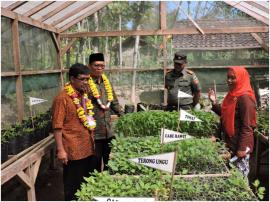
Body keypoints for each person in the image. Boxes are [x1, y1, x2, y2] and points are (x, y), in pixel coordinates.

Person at [52, 63, 97, 201]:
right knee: (73, 186)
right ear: (72, 79)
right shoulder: (62, 98)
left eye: (88, 79)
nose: (86, 82)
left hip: (87, 147)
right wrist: (60, 150)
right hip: (73, 150)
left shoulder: (83, 96)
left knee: (85, 183)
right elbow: (57, 126)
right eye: (82, 79)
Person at [208, 66, 256, 178]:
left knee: (239, 179)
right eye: (228, 77)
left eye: (233, 78)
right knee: (231, 176)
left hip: (239, 145)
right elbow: (227, 115)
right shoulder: (233, 95)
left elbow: (247, 125)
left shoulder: (245, 98)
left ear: (241, 79)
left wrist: (242, 149)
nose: (229, 80)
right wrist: (214, 103)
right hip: (231, 142)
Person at [87, 53, 124, 172]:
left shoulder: (106, 83)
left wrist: (124, 116)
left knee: (108, 161)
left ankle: (106, 186)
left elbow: (114, 102)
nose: (99, 68)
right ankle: (94, 187)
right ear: (89, 66)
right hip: (93, 131)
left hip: (108, 130)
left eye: (102, 66)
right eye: (96, 65)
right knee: (94, 162)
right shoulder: (85, 83)